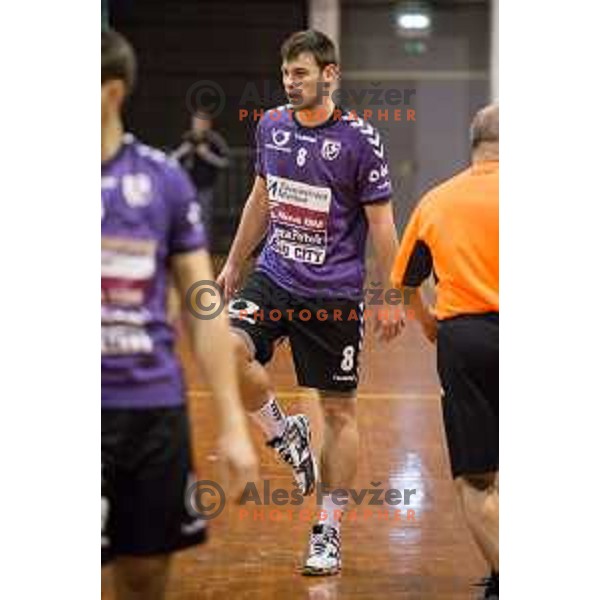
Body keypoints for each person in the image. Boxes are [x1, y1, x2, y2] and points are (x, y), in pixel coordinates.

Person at [217, 29, 403, 576]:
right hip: (275, 276)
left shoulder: (359, 140)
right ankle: (283, 431)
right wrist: (234, 261)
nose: (290, 83)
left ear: (330, 74)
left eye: (300, 73)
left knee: (340, 412)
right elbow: (261, 196)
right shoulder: (271, 126)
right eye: (285, 75)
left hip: (334, 295)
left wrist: (390, 292)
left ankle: (328, 529)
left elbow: (383, 223)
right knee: (227, 352)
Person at [101, 29, 257, 600]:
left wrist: (234, 426)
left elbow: (202, 304)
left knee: (145, 576)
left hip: (149, 412)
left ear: (111, 92)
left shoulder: (162, 180)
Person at [391, 104, 499, 598]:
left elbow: (405, 281)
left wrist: (430, 324)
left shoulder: (437, 201)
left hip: (467, 341)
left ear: (473, 144)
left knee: (478, 478)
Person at [172, 111, 229, 247]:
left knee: (204, 218)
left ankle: (204, 248)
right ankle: (185, 246)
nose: (198, 126)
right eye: (196, 122)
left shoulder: (214, 139)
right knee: (186, 217)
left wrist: (207, 155)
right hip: (186, 187)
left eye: (201, 123)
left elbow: (225, 161)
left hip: (206, 186)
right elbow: (171, 159)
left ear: (208, 124)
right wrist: (182, 151)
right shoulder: (186, 138)